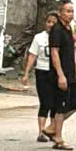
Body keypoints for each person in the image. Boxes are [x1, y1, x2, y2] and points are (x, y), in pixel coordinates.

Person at [49, 0, 76, 151]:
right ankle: (58, 137)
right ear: (60, 12)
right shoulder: (56, 29)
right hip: (61, 74)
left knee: (75, 103)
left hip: (70, 73)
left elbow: (71, 47)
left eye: (72, 11)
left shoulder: (68, 29)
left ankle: (51, 127)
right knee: (61, 106)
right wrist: (60, 75)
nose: (70, 14)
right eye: (67, 11)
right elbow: (54, 53)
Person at [21, 11, 59, 142]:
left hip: (56, 73)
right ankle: (41, 131)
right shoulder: (39, 38)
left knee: (56, 104)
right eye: (49, 22)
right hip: (42, 72)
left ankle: (54, 131)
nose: (51, 25)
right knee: (45, 102)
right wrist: (26, 73)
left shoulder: (61, 37)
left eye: (54, 22)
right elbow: (32, 56)